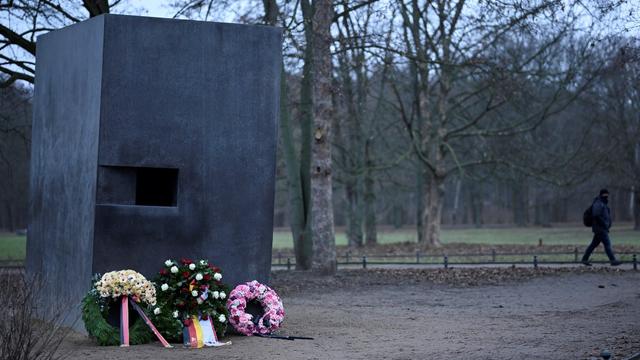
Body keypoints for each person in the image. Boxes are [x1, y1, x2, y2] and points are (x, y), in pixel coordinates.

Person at [582, 189, 622, 266]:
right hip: (600, 229)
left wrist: (607, 224)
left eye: (607, 195)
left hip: (600, 228)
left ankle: (584, 259)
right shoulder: (598, 203)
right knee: (607, 244)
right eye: (605, 195)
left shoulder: (603, 203)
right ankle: (613, 261)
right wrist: (604, 224)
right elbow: (596, 215)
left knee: (593, 245)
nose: (606, 196)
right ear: (602, 195)